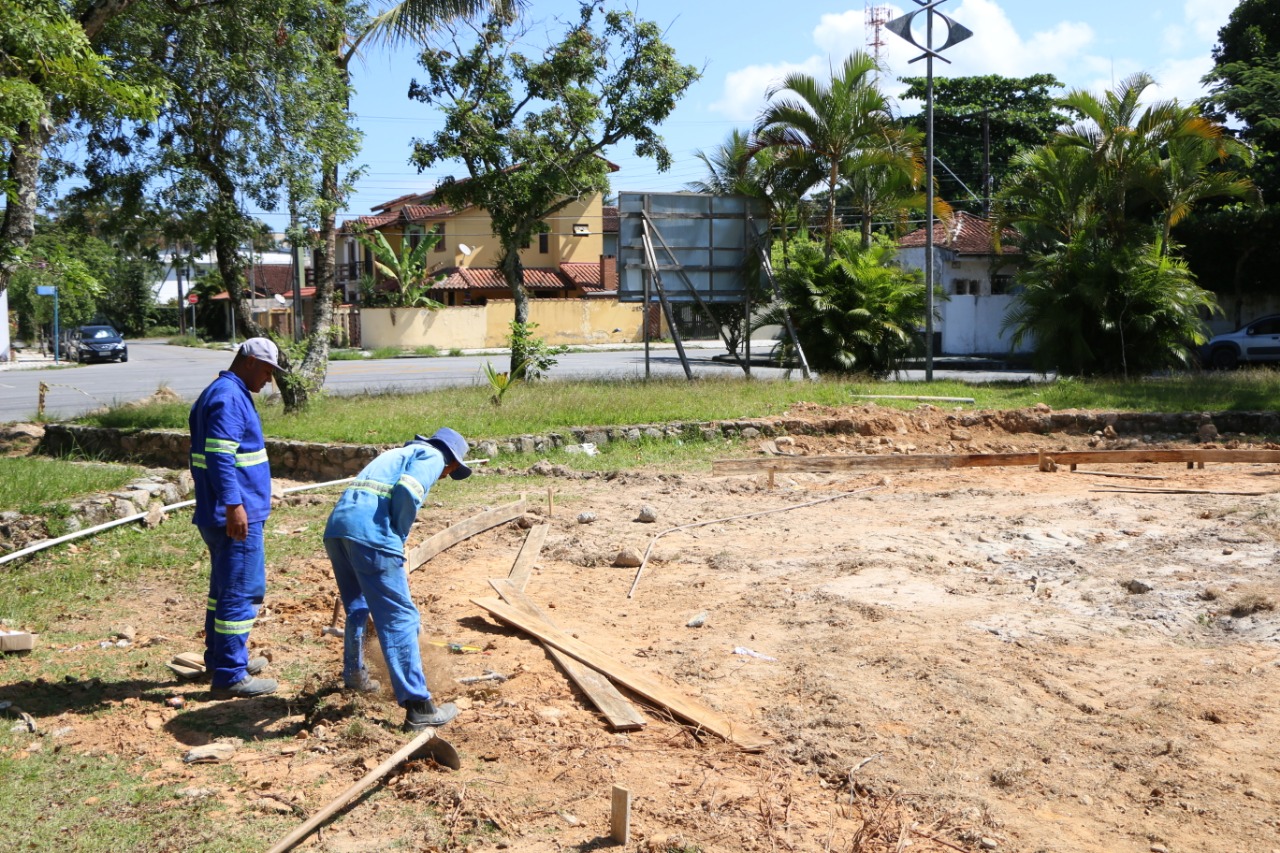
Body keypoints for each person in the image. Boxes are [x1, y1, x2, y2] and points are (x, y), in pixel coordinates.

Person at [323, 427, 472, 731]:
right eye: (450, 472)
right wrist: (398, 535)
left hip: (339, 529)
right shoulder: (432, 455)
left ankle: (354, 675)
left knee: (359, 606)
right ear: (452, 462)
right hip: (371, 533)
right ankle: (419, 708)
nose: (445, 477)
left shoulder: (396, 454)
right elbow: (407, 490)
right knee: (400, 617)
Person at [189, 337, 283, 699]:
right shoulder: (228, 398)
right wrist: (235, 505)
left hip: (222, 512)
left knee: (223, 590)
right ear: (247, 361)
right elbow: (220, 458)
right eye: (266, 370)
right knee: (242, 591)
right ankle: (231, 672)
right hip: (233, 517)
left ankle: (220, 657)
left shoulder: (222, 391)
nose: (268, 380)